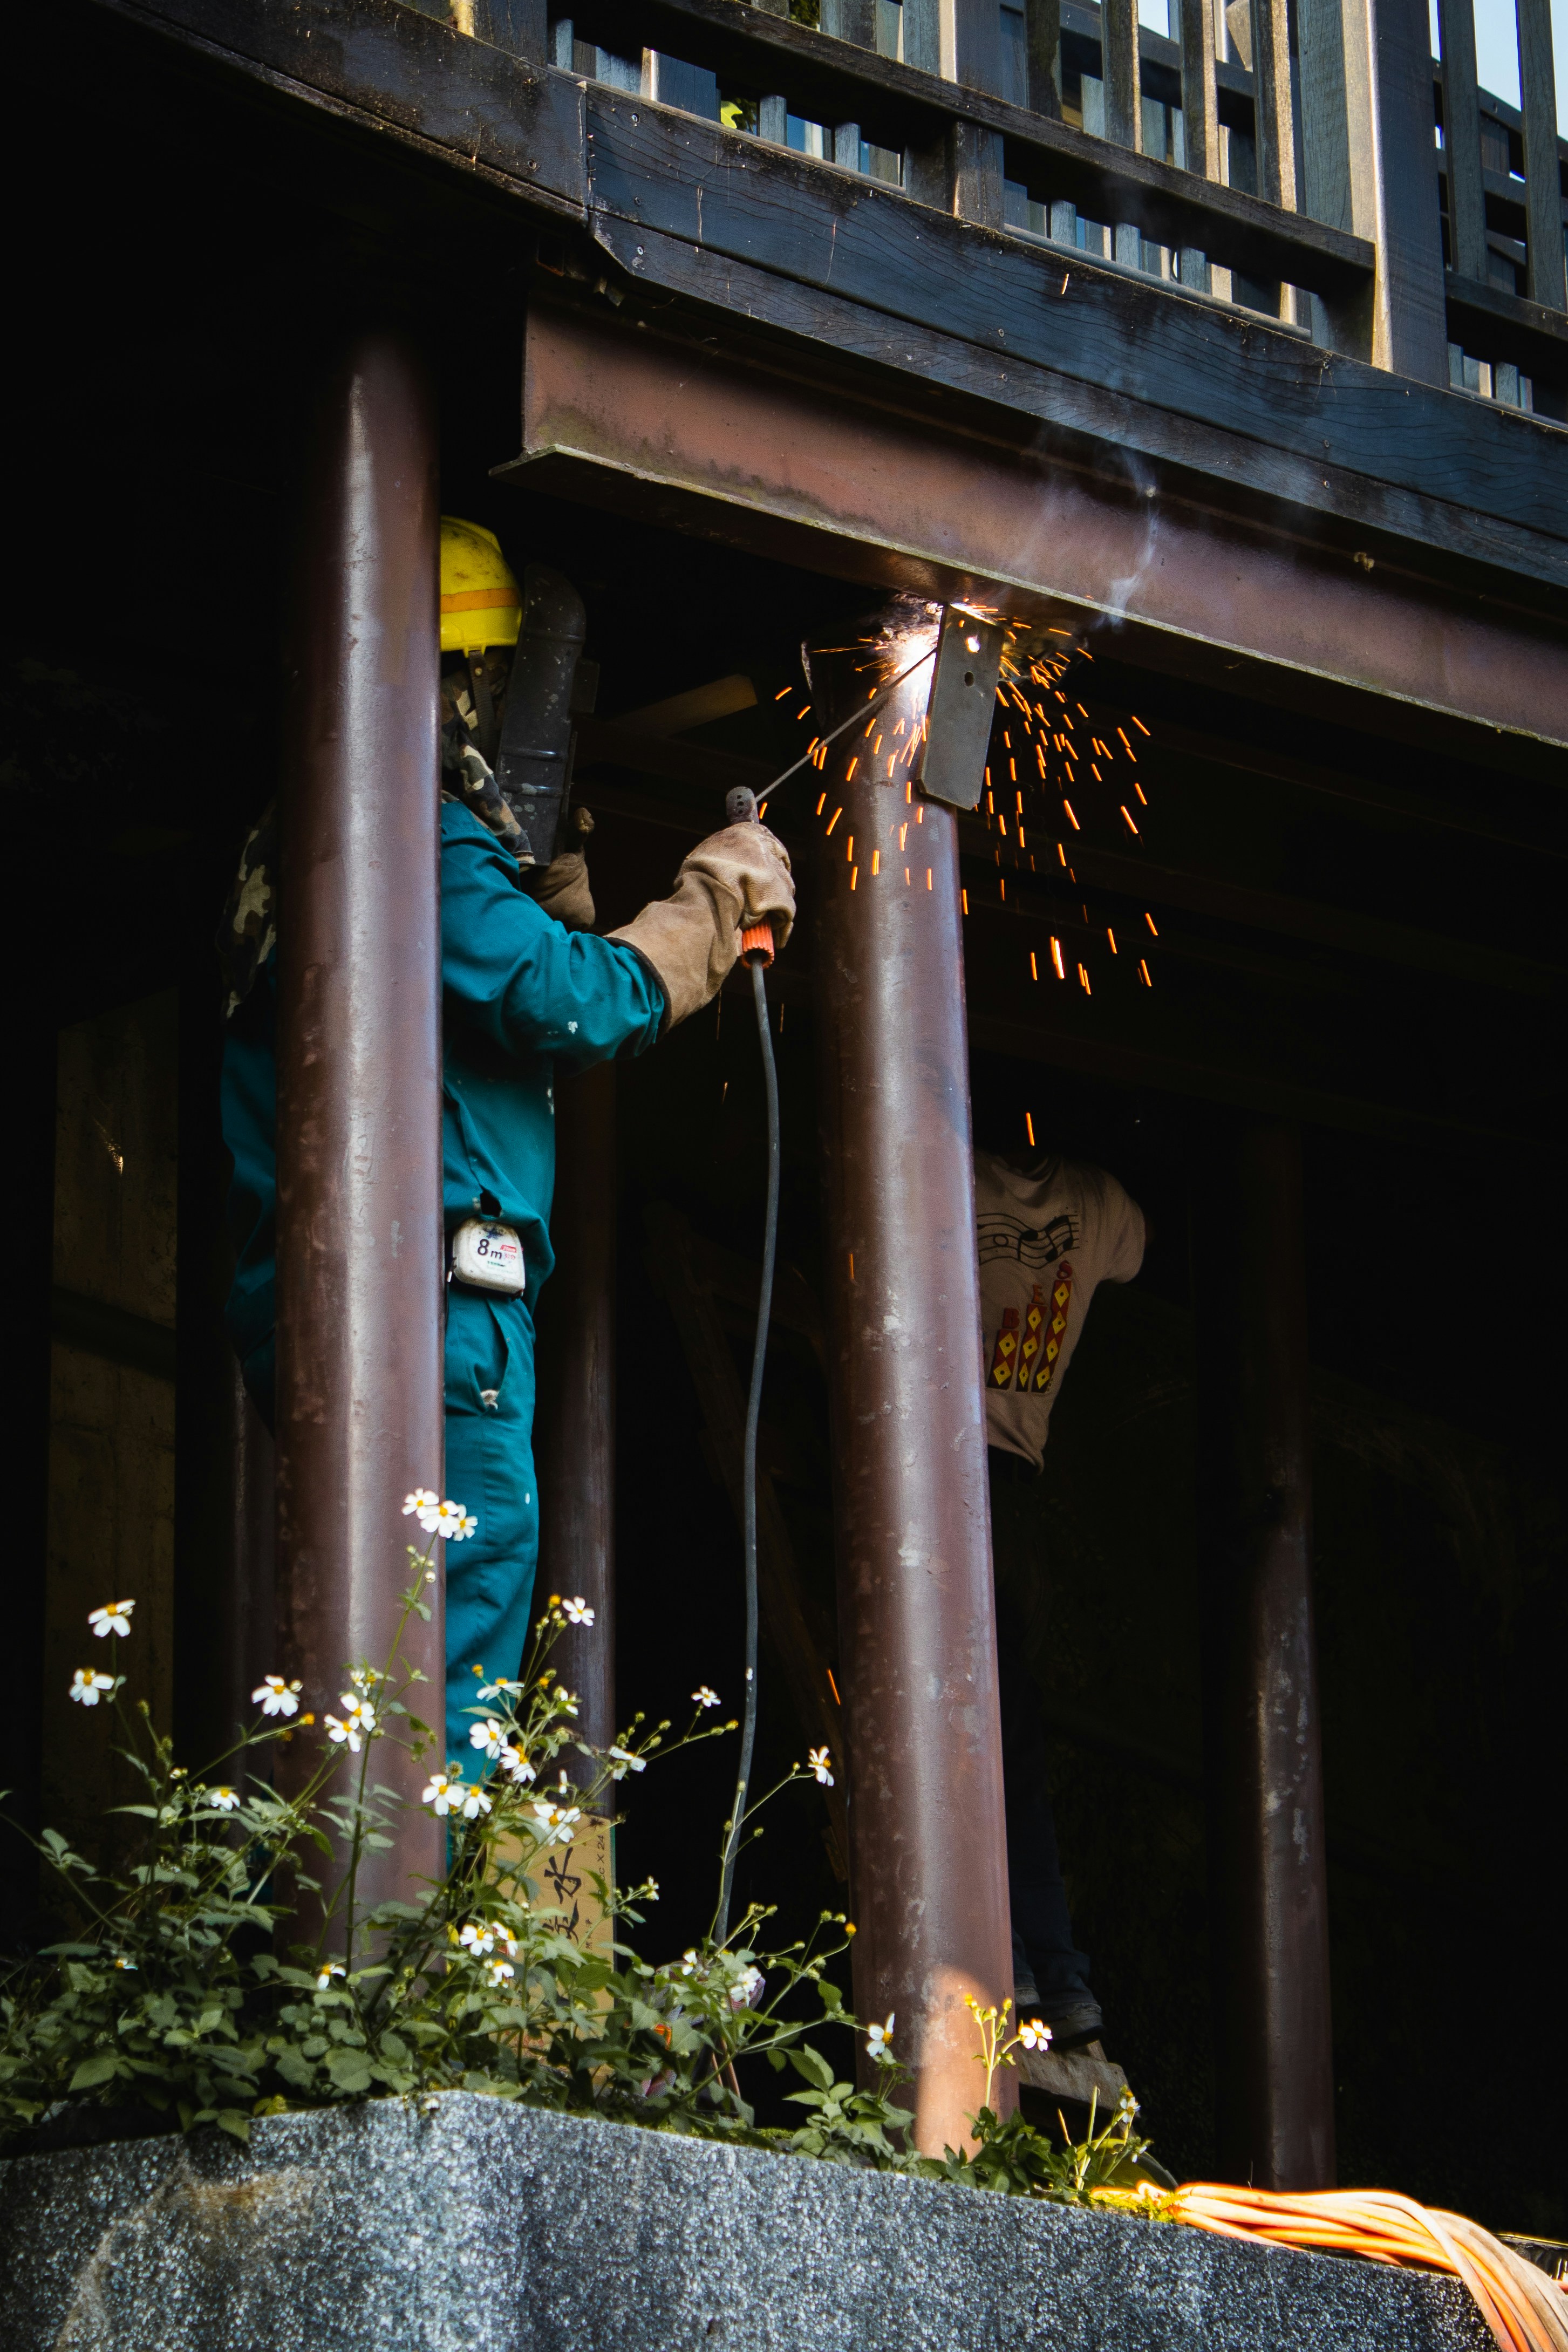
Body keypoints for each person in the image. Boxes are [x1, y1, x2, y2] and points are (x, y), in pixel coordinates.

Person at [219, 516, 795, 1764]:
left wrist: (529, 901)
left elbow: (464, 1021)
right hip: (440, 1300)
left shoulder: (304, 835)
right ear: (458, 682)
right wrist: (708, 905)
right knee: (457, 1628)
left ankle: (369, 1917)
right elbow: (567, 997)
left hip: (341, 1292)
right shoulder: (408, 824)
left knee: (372, 1632)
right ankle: (426, 1942)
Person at [976, 1142, 1146, 2047]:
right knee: (1017, 1749)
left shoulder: (945, 1166)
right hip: (1018, 1493)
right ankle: (1058, 1976)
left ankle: (1000, 1959)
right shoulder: (1102, 1199)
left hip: (947, 1472)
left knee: (960, 1737)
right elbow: (1133, 1258)